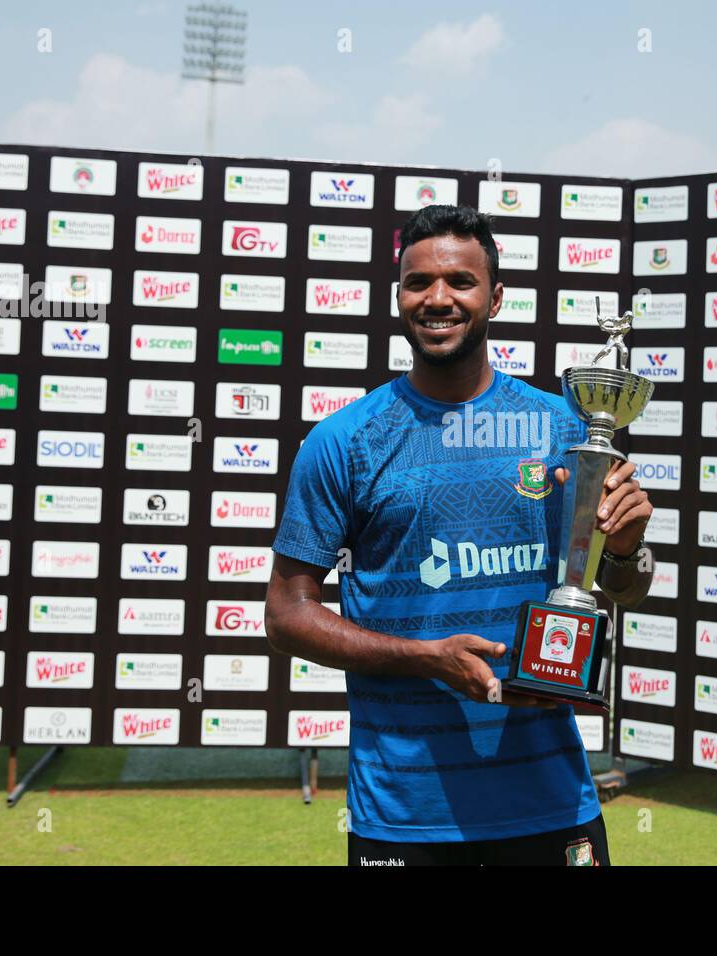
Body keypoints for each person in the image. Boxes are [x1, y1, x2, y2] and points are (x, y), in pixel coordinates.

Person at [264, 203, 654, 866]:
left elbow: (621, 588)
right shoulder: (345, 442)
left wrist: (624, 549)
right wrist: (425, 657)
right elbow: (286, 613)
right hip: (404, 817)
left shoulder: (564, 429)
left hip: (551, 804)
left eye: (460, 282)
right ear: (398, 297)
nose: (437, 298)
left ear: (496, 297)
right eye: (418, 283)